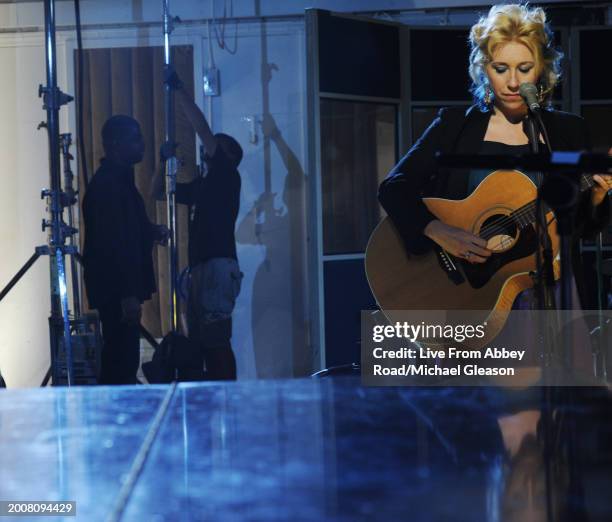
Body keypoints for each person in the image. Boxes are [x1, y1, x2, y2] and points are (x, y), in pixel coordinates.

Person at [379, 3, 611, 310]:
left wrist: (597, 194)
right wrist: (440, 231)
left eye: (524, 68)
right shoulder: (455, 126)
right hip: (470, 290)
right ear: (484, 69)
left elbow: (584, 227)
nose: (513, 82)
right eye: (501, 69)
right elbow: (394, 188)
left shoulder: (568, 131)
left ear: (542, 68)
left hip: (554, 291)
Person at [153, 71, 242, 381]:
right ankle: (211, 395)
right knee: (200, 340)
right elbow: (159, 193)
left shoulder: (227, 175)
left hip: (217, 266)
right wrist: (162, 161)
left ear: (229, 156)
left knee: (216, 340)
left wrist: (179, 91)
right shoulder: (203, 185)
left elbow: (202, 129)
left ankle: (227, 395)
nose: (210, 144)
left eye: (219, 145)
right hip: (201, 268)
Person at [83, 115, 168, 385]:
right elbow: (112, 244)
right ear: (116, 144)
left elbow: (129, 228)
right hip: (117, 290)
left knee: (123, 357)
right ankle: (114, 419)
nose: (142, 144)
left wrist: (152, 231)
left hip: (120, 289)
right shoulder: (108, 186)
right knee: (121, 361)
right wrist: (126, 294)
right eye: (136, 138)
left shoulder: (119, 182)